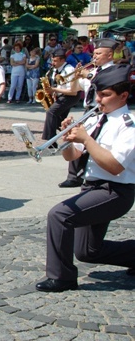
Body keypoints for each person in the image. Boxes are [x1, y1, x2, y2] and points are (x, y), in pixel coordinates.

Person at [35, 64, 134, 293]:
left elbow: (114, 166)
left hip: (115, 191)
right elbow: (73, 156)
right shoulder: (96, 120)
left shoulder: (128, 126)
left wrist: (87, 140)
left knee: (59, 215)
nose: (99, 100)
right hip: (92, 189)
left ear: (124, 96)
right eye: (98, 94)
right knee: (88, 252)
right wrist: (68, 139)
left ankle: (62, 278)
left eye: (106, 95)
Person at [58, 38, 116, 188]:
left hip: (104, 113)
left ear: (109, 55)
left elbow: (106, 84)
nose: (94, 56)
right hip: (89, 111)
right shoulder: (93, 71)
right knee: (74, 139)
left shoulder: (114, 71)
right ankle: (73, 176)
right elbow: (74, 90)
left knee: (93, 144)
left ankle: (88, 175)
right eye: (94, 53)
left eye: (99, 54)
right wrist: (76, 77)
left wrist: (88, 75)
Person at [41, 48, 83, 143]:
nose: (53, 63)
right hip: (62, 95)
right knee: (59, 120)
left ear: (62, 60)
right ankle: (75, 135)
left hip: (71, 96)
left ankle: (50, 141)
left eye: (55, 61)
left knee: (51, 112)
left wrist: (54, 89)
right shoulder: (55, 70)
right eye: (52, 60)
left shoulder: (69, 70)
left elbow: (73, 91)